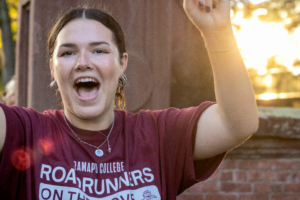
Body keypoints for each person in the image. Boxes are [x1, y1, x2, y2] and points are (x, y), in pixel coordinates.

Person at [0, 1, 258, 199]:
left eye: (99, 50)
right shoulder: (23, 132)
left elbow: (236, 124)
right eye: (68, 53)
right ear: (52, 68)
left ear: (121, 64)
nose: (83, 62)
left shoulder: (159, 135)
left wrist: (219, 30)